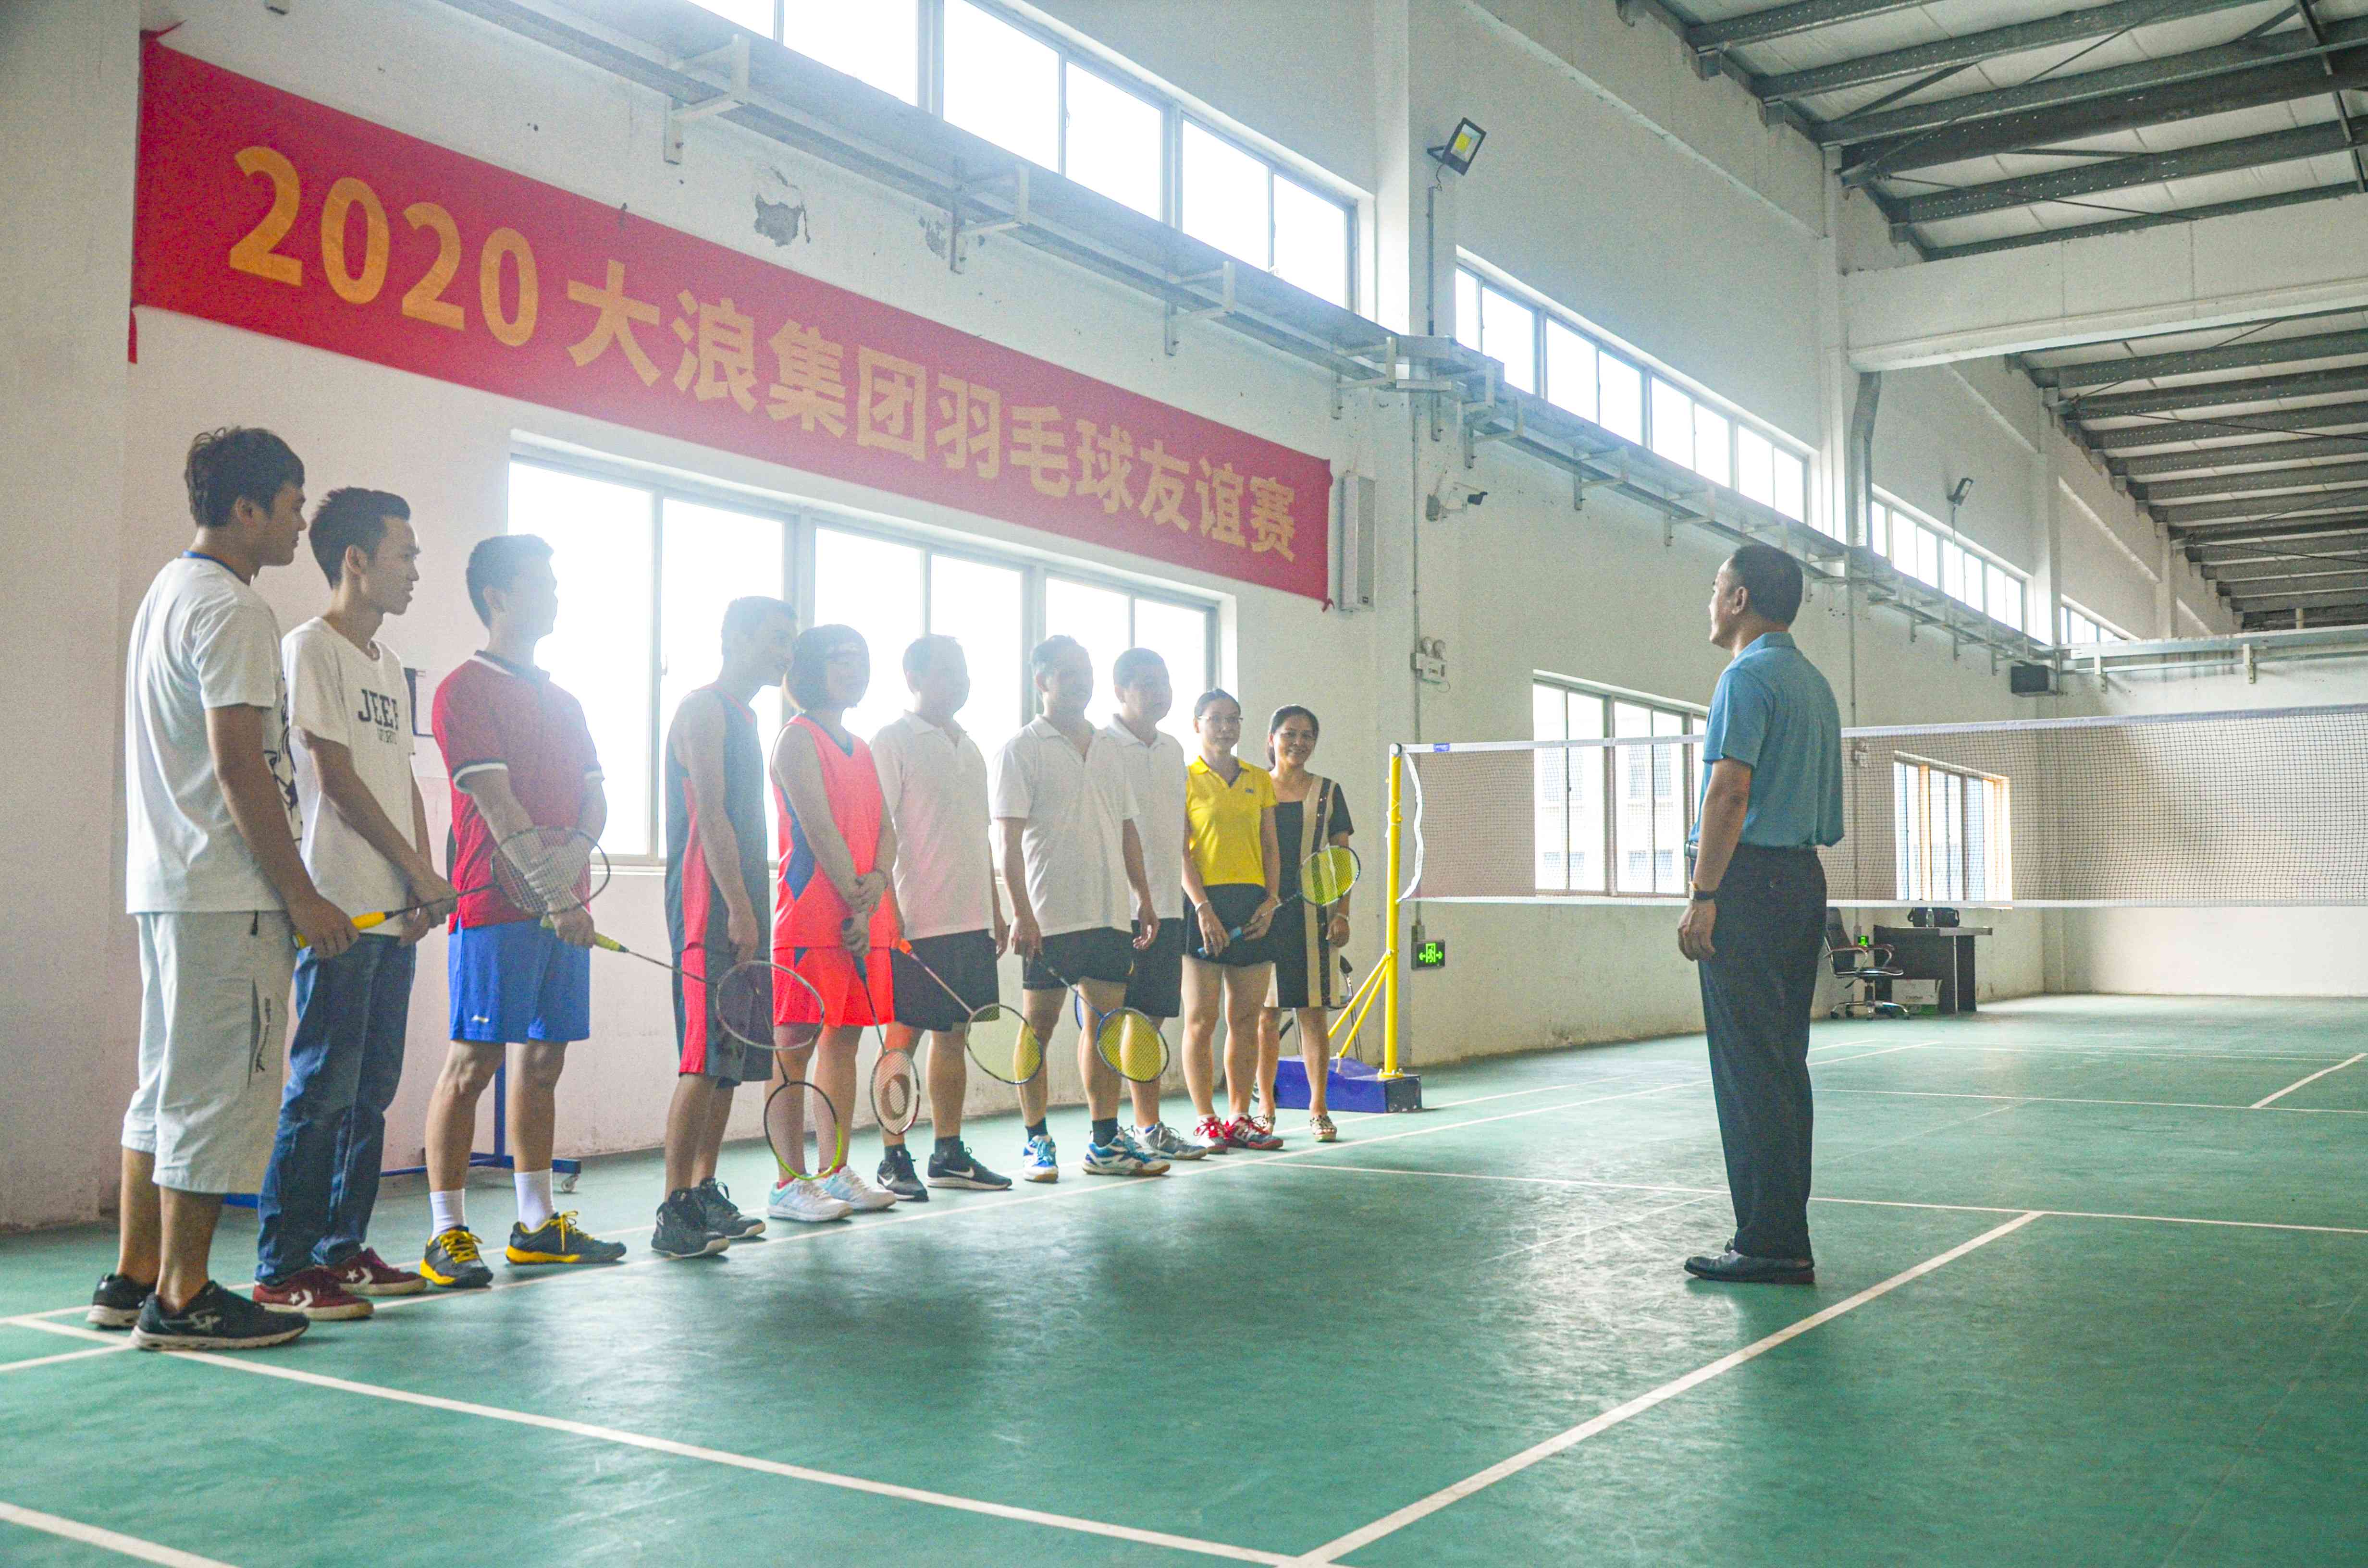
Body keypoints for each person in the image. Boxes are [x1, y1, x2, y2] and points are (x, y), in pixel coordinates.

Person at [98, 427, 352, 1352]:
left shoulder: (168, 592)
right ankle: (186, 1294)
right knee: (215, 1092)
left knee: (165, 1085)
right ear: (246, 508)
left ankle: (133, 1275)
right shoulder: (233, 607)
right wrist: (301, 892)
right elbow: (240, 762)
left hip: (170, 884)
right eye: (290, 505)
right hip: (225, 891)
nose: (298, 524)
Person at [253, 489, 456, 1318]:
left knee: (370, 1091)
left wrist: (423, 876)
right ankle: (283, 1264)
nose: (415, 571)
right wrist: (414, 868)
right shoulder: (310, 648)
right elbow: (332, 776)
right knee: (322, 1089)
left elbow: (399, 775)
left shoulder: (387, 664)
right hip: (340, 911)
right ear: (356, 560)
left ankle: (342, 1251)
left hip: (393, 913)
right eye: (405, 555)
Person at [420, 535, 626, 1287]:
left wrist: (569, 878)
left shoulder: (566, 701)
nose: (556, 595)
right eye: (541, 583)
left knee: (544, 1062)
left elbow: (595, 799)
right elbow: (498, 805)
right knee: (473, 1064)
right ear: (498, 596)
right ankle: (447, 1232)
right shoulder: (463, 691)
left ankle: (537, 1225)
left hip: (563, 909)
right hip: (495, 906)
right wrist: (552, 893)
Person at [1677, 543, 1844, 1286]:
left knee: (1748, 1067)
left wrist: (1704, 896)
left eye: (1716, 588)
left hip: (1748, 885)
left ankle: (1769, 1241)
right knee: (1780, 1063)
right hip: (1803, 883)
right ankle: (1782, 1232)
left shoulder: (1745, 678)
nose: (1710, 601)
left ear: (1740, 599)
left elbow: (1730, 792)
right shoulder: (1814, 684)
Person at [652, 596, 798, 1258]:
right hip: (706, 906)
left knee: (730, 1060)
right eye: (774, 639)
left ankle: (705, 1190)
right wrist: (738, 906)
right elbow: (709, 814)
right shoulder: (704, 709)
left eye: (789, 641)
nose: (784, 653)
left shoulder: (746, 716)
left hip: (742, 905)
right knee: (700, 1060)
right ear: (735, 638)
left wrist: (751, 907)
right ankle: (673, 1208)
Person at [993, 636, 1169, 1181]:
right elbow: (1007, 841)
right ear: (1042, 682)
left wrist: (1142, 896)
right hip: (1049, 916)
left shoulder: (1110, 749)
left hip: (1109, 913)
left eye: (1086, 671)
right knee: (1037, 1028)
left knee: (1106, 1029)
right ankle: (1036, 1140)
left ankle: (1103, 1141)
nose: (1081, 681)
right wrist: (1021, 912)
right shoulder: (1021, 748)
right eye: (1067, 673)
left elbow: (1127, 829)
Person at [768, 625, 902, 1224]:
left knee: (842, 1043)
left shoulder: (862, 747)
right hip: (811, 920)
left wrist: (877, 886)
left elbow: (886, 829)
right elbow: (818, 830)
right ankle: (787, 1183)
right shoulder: (796, 739)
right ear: (810, 669)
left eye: (861, 659)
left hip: (862, 916)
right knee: (793, 1049)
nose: (855, 669)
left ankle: (834, 1170)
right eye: (841, 659)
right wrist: (856, 899)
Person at [872, 636, 1011, 1198]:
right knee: (901, 1040)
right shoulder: (892, 741)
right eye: (947, 671)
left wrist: (994, 908)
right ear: (913, 678)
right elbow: (878, 833)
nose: (961, 681)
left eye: (964, 671)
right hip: (915, 922)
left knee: (953, 1037)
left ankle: (947, 1153)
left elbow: (979, 835)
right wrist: (889, 915)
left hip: (970, 920)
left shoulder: (971, 748)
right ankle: (892, 1157)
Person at [1099, 649, 1207, 1163]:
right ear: (1120, 691)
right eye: (1145, 683)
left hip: (1166, 905)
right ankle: (1103, 1134)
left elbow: (1176, 833)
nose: (1158, 691)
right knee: (1108, 1024)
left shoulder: (1172, 750)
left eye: (1163, 681)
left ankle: (1148, 1128)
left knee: (1149, 1021)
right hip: (1112, 909)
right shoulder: (1102, 747)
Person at [1178, 690, 1284, 1152]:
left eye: (1234, 719)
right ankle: (1206, 1119)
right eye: (1216, 719)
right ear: (1197, 725)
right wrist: (1203, 907)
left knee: (1245, 1018)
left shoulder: (1259, 779)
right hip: (1203, 904)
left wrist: (1271, 900)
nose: (1226, 727)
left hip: (1253, 904)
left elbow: (1271, 847)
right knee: (1201, 1020)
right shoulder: (1184, 779)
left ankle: (1240, 1117)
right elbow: (1180, 852)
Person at [1257, 705, 1355, 1144]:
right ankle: (1265, 1110)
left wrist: (1342, 913)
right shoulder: (1254, 788)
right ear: (1272, 738)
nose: (1299, 742)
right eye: (1290, 733)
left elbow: (1342, 860)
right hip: (1264, 916)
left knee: (1313, 1014)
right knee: (1265, 1016)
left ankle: (1319, 1110)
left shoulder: (1329, 792)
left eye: (1307, 736)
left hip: (1315, 917)